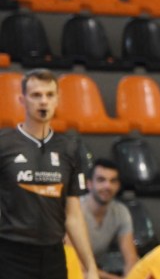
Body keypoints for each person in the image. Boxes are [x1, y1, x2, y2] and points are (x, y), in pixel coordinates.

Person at [0, 69, 100, 279]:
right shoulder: (4, 144)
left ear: (57, 100)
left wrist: (89, 265)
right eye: (36, 95)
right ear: (22, 100)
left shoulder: (70, 148)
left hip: (54, 255)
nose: (43, 101)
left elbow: (73, 216)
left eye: (49, 95)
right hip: (11, 254)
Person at [83, 158, 138, 278]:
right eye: (101, 180)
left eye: (113, 181)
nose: (107, 186)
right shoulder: (75, 211)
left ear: (118, 186)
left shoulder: (121, 212)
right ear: (89, 184)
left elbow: (131, 259)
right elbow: (76, 265)